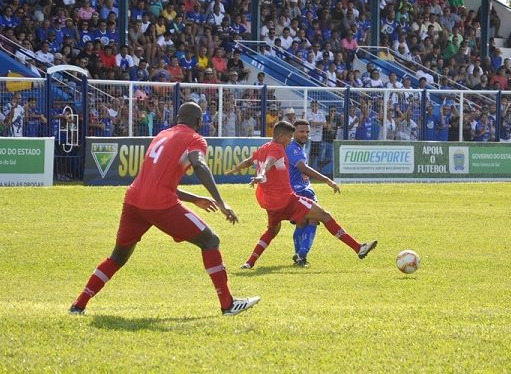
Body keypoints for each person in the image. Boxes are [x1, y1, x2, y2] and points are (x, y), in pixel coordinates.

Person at [69, 102, 259, 316]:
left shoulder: (161, 135)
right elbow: (199, 165)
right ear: (199, 122)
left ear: (178, 117)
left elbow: (155, 181)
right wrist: (222, 202)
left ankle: (78, 305)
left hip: (133, 201)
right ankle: (228, 305)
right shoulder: (195, 139)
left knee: (118, 257)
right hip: (160, 205)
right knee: (210, 241)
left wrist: (194, 198)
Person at [226, 121, 377, 269]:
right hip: (287, 200)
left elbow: (248, 161)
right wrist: (262, 174)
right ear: (282, 136)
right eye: (290, 137)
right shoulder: (278, 148)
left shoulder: (263, 148)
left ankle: (250, 262)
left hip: (270, 203)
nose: (291, 140)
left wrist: (233, 171)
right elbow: (269, 162)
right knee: (324, 216)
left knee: (272, 231)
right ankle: (358, 248)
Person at [284, 120, 342, 267]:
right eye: (301, 131)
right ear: (293, 133)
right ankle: (301, 255)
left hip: (303, 189)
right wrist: (327, 180)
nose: (305, 134)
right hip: (299, 191)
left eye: (307, 132)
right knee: (312, 220)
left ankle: (300, 257)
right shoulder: (293, 148)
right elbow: (303, 168)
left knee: (303, 222)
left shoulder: (298, 147)